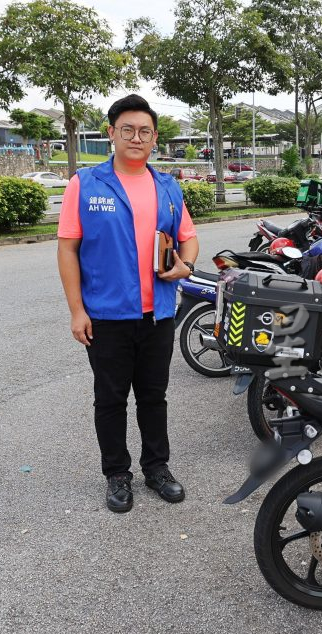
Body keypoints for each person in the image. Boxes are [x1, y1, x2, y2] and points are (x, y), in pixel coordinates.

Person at [57, 94, 199, 513]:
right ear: (111, 134)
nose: (136, 138)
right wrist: (76, 310)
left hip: (158, 314)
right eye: (127, 130)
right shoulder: (85, 184)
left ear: (155, 138)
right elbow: (67, 250)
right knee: (110, 399)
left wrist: (186, 266)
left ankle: (157, 467)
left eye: (145, 131)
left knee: (154, 397)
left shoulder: (167, 186)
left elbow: (188, 236)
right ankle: (117, 474)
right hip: (105, 316)